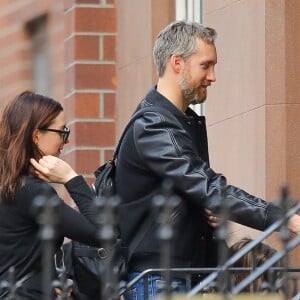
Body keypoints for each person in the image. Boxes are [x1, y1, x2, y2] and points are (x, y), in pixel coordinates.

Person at [114, 20, 300, 299]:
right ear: (177, 63)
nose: (213, 76)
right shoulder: (154, 126)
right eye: (205, 65)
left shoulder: (179, 121)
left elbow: (196, 190)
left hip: (184, 276)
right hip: (160, 281)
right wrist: (279, 217)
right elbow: (209, 187)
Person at [0, 91, 99, 299]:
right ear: (36, 136)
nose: (66, 141)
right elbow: (101, 233)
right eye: (62, 132)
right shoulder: (32, 191)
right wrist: (72, 178)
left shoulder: (8, 185)